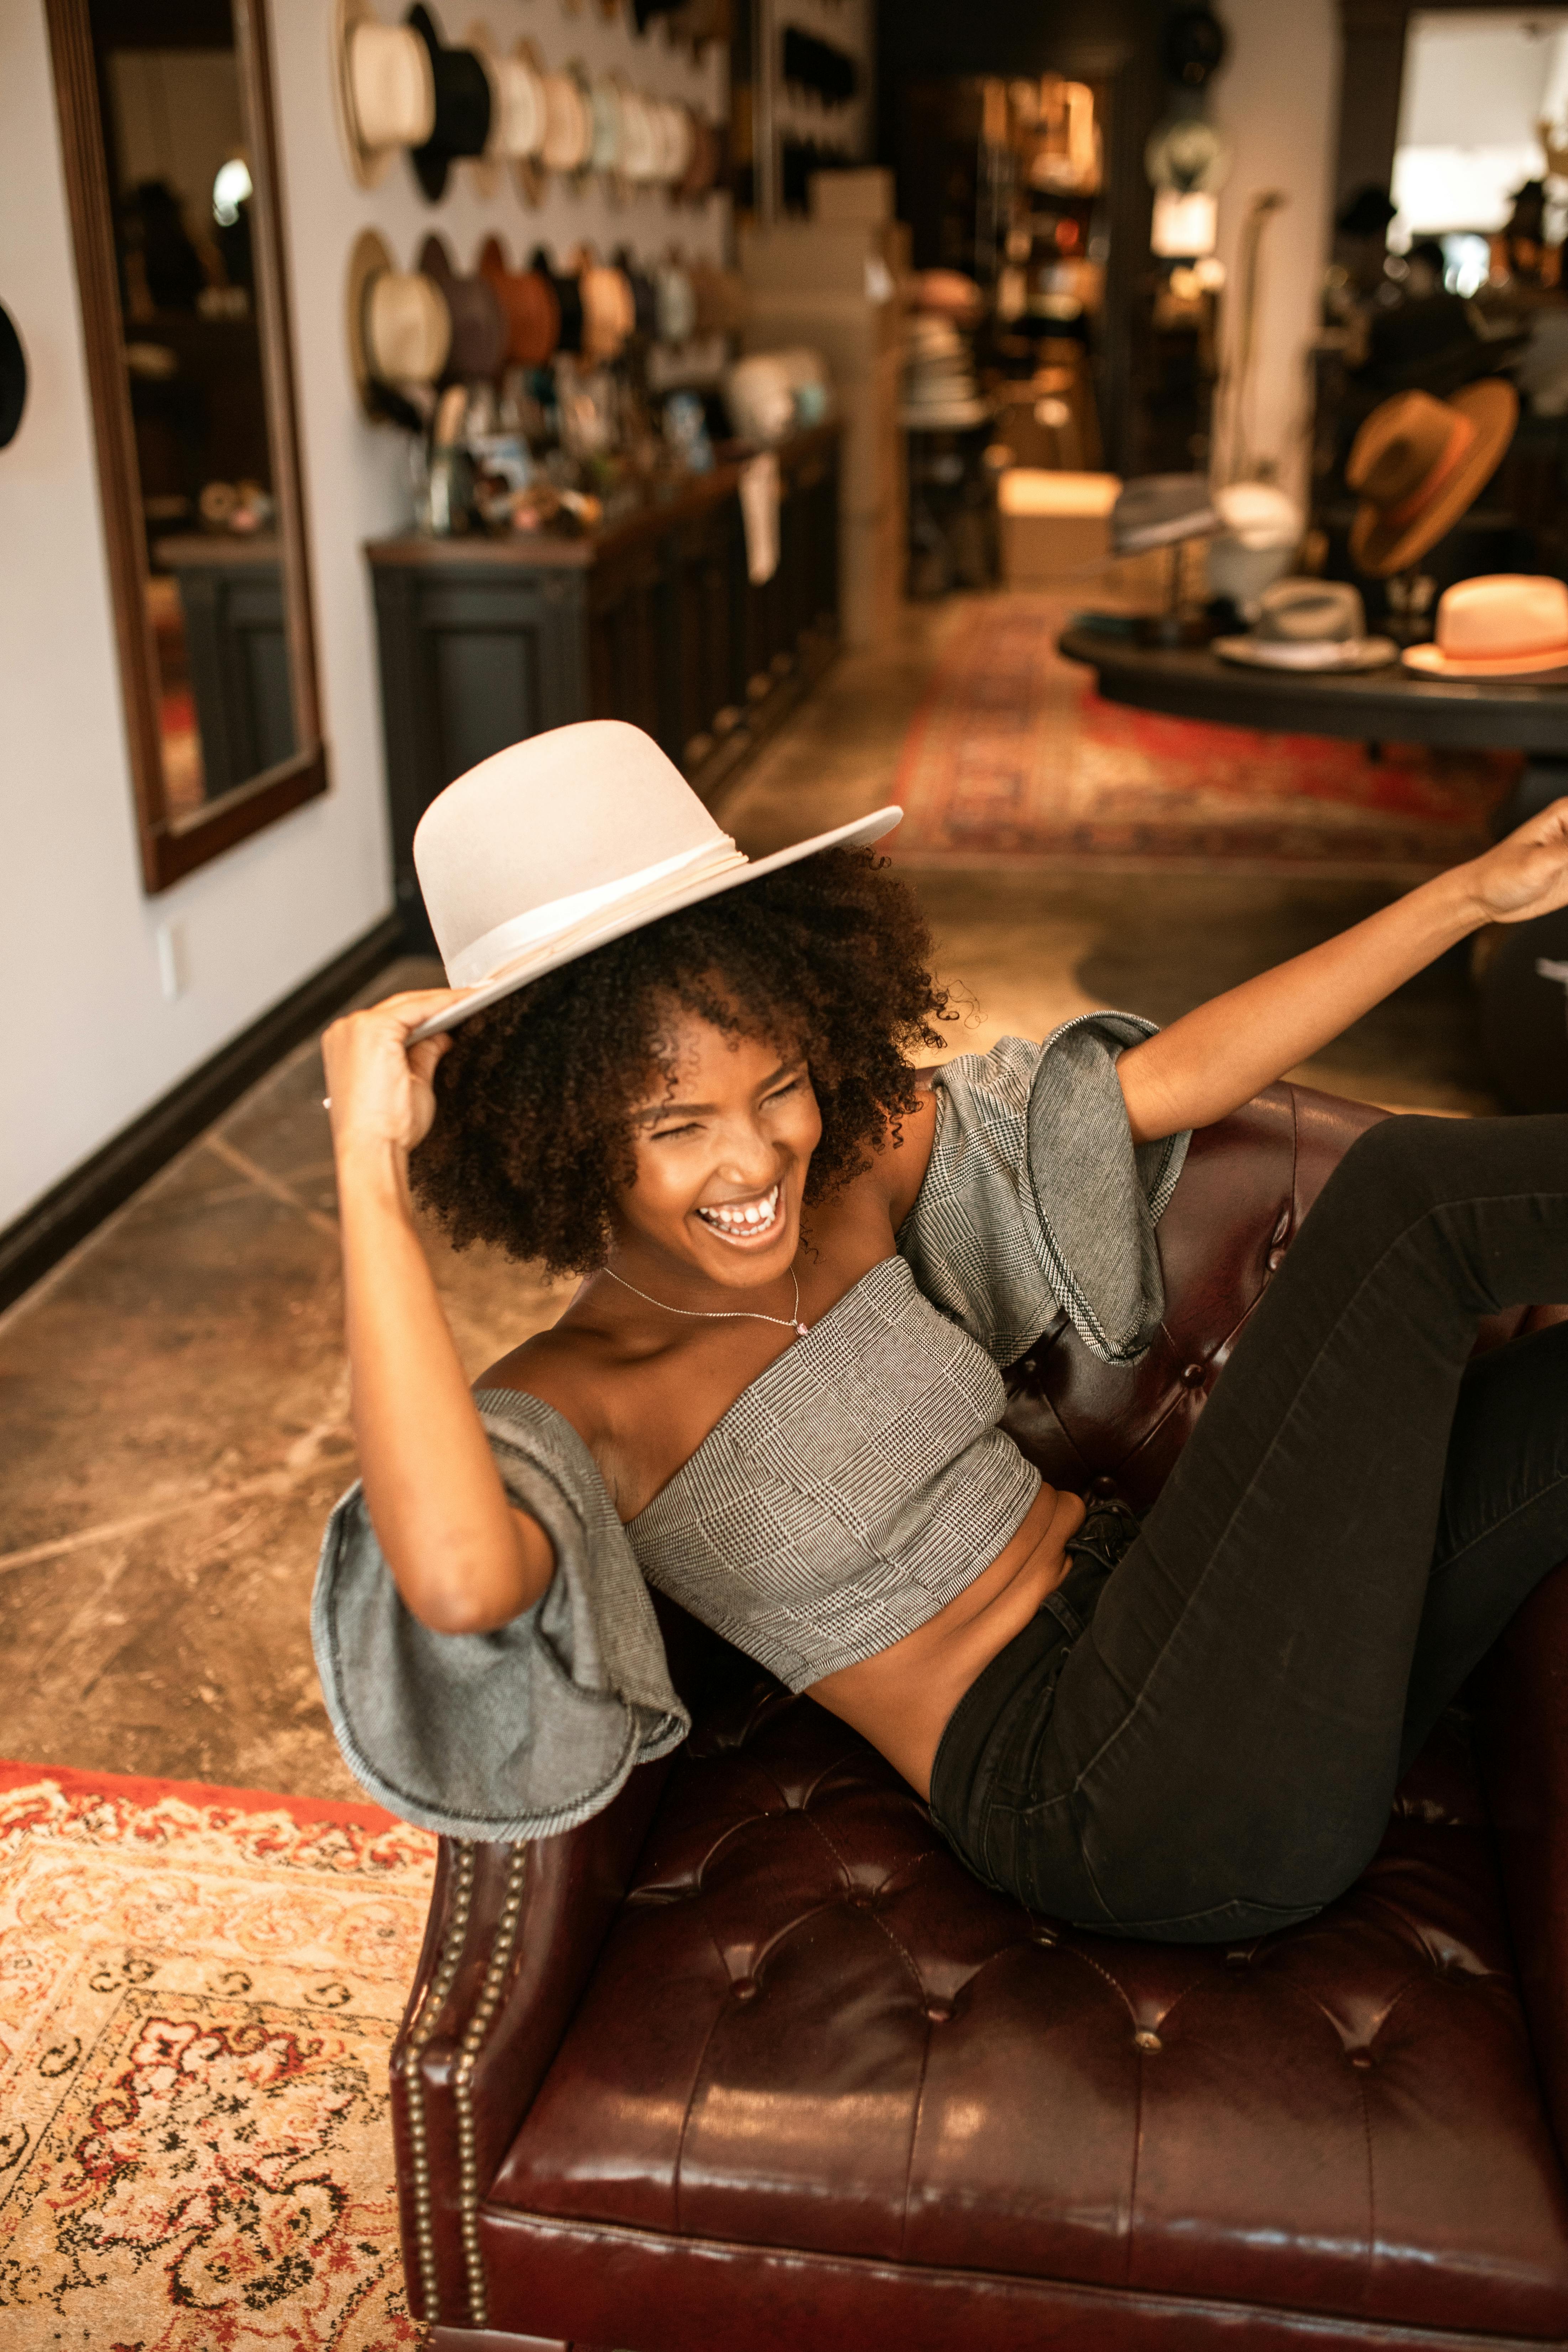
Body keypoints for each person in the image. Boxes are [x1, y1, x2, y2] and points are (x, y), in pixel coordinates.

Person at [314, 720, 1568, 1943]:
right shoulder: (588, 1398)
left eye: (778, 1087)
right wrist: (368, 1171)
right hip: (1104, 1792)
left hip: (1203, 1654)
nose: (755, 1158)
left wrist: (1468, 894)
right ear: (561, 1141)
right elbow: (461, 1580)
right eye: (673, 1125)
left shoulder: (848, 1187)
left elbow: (1170, 1081)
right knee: (1403, 1200)